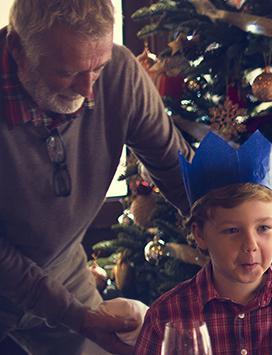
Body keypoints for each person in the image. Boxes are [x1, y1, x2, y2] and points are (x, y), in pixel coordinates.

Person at [0, 0, 192, 353]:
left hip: (62, 273)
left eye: (98, 69)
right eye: (66, 73)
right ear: (17, 49)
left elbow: (181, 174)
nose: (88, 91)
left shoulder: (118, 74)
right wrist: (74, 315)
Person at [134, 132, 272, 354]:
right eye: (232, 230)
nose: (250, 245)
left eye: (263, 228)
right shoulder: (166, 315)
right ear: (201, 235)